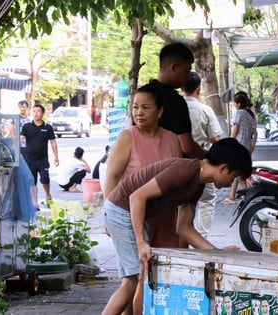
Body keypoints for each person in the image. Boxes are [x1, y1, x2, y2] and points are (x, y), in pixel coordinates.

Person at [101, 138, 252, 315]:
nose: (230, 183)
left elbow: (184, 228)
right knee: (134, 281)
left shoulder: (198, 185)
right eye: (233, 178)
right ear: (224, 168)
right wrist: (142, 243)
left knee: (137, 277)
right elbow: (137, 197)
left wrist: (217, 254)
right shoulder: (185, 171)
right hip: (121, 209)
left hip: (127, 212)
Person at [103, 81, 183, 314]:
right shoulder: (127, 137)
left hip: (165, 219)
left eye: (145, 107)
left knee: (159, 276)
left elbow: (177, 179)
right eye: (136, 107)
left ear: (160, 111)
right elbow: (112, 177)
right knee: (137, 277)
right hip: (131, 217)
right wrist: (109, 218)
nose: (138, 112)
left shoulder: (172, 139)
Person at [182, 71, 223, 237]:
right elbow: (216, 140)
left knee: (181, 202)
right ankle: (201, 237)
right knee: (206, 200)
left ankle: (181, 236)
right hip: (202, 163)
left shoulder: (173, 108)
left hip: (176, 162)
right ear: (198, 89)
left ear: (182, 87)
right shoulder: (205, 110)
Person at [155, 42, 205, 159]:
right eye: (186, 71)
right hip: (168, 168)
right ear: (173, 68)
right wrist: (208, 159)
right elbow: (187, 147)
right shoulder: (174, 100)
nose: (188, 76)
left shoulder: (142, 93)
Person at [20, 104, 59, 209]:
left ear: (42, 113)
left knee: (45, 179)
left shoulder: (47, 127)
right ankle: (35, 202)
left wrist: (56, 156)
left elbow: (53, 142)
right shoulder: (27, 127)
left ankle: (47, 194)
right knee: (32, 181)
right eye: (34, 111)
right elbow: (21, 139)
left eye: (38, 111)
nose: (35, 114)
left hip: (43, 159)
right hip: (30, 159)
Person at [222, 92, 258, 204]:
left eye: (234, 102)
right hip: (248, 145)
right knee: (240, 170)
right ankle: (234, 195)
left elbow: (235, 129)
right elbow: (255, 133)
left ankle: (247, 194)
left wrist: (230, 141)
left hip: (239, 145)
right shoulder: (251, 114)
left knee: (237, 170)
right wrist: (252, 145)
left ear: (238, 104)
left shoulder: (239, 113)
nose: (233, 104)